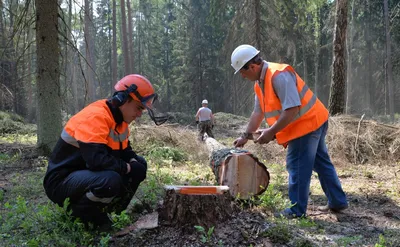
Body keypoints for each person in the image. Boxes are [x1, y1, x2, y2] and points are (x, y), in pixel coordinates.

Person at [230, 44, 348, 218]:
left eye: (242, 71)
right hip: (314, 119)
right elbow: (258, 112)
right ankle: (338, 201)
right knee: (321, 163)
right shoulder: (259, 83)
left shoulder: (279, 75)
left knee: (297, 165)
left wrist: (270, 132)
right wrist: (245, 136)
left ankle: (296, 210)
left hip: (306, 126)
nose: (242, 75)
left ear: (252, 66)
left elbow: (292, 109)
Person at [43, 74, 161, 229]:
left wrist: (133, 162)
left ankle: (106, 211)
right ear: (123, 99)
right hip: (61, 181)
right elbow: (96, 160)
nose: (139, 114)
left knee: (139, 164)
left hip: (83, 174)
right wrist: (128, 167)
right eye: (139, 108)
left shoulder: (120, 121)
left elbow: (125, 151)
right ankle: (80, 213)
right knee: (109, 179)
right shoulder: (96, 117)